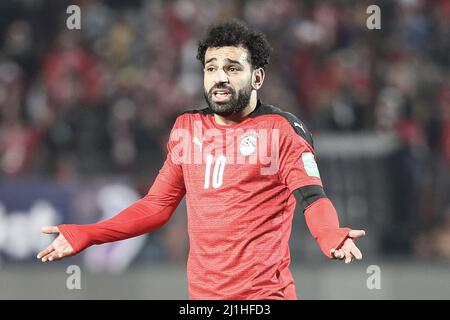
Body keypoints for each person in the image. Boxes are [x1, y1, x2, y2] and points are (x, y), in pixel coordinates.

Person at [37, 20, 365, 300]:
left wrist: (328, 234)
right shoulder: (187, 128)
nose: (219, 77)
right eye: (211, 68)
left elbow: (312, 198)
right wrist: (89, 233)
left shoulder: (281, 131)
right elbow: (155, 207)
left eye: (232, 68)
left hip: (264, 297)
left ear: (257, 78)